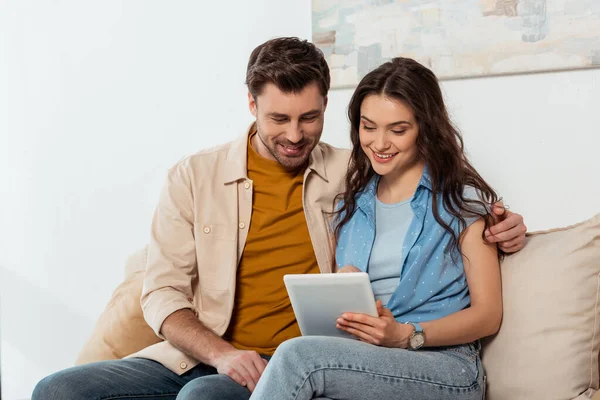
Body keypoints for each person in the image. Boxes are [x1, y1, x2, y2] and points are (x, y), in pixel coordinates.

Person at [32, 38, 526, 400]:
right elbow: (161, 292)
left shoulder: (349, 174)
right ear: (252, 105)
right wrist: (221, 354)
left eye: (309, 118)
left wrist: (505, 226)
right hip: (202, 357)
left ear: (326, 109)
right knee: (58, 391)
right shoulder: (195, 177)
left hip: (295, 361)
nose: (295, 134)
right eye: (278, 119)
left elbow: (441, 195)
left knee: (204, 399)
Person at [249, 57, 506, 400]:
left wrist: (407, 334)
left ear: (424, 129)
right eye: (369, 127)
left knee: (297, 355)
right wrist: (347, 288)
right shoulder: (351, 205)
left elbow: (488, 316)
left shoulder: (461, 204)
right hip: (368, 362)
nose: (380, 143)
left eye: (398, 130)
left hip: (444, 366)